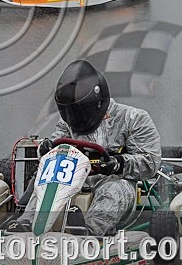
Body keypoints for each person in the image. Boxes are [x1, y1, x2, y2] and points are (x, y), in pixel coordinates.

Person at [12, 60, 161, 236]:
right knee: (47, 184)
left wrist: (118, 163)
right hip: (72, 180)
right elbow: (55, 146)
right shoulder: (68, 123)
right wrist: (45, 149)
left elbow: (151, 162)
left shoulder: (134, 119)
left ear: (97, 101)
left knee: (113, 190)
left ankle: (89, 232)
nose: (75, 117)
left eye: (79, 111)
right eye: (71, 112)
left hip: (113, 180)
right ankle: (26, 225)